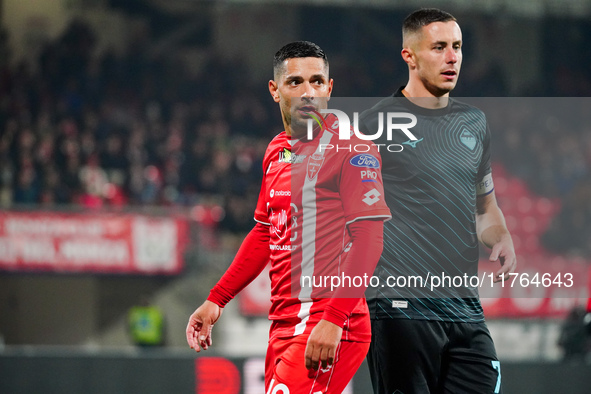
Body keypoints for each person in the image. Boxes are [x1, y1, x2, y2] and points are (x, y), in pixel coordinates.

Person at [186, 41, 391, 393]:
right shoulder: (276, 151)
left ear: (329, 87)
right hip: (283, 325)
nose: (307, 92)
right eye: (295, 82)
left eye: (316, 81)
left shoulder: (352, 149)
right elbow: (267, 233)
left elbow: (370, 240)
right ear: (275, 90)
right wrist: (216, 299)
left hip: (326, 321)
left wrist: (334, 320)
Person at [358, 9, 517, 394]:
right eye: (440, 47)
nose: (452, 57)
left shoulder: (474, 123)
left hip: (464, 307)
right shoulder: (371, 126)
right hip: (399, 305)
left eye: (458, 47)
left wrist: (501, 236)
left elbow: (484, 207)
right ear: (409, 56)